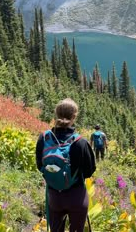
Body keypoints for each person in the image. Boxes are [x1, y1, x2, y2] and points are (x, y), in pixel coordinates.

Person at [36, 98, 96, 232]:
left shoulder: (44, 138)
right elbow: (89, 171)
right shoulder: (80, 142)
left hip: (54, 197)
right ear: (74, 116)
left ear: (56, 114)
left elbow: (40, 165)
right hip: (77, 196)